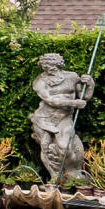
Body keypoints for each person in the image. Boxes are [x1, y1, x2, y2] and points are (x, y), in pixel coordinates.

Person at [30, 53, 95, 183]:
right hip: (45, 118)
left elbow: (84, 97)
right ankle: (55, 178)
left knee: (64, 146)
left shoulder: (72, 77)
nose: (49, 70)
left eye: (52, 67)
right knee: (46, 146)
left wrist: (90, 84)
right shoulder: (39, 81)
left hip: (64, 117)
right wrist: (73, 103)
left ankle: (72, 175)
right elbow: (50, 100)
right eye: (46, 67)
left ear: (59, 65)